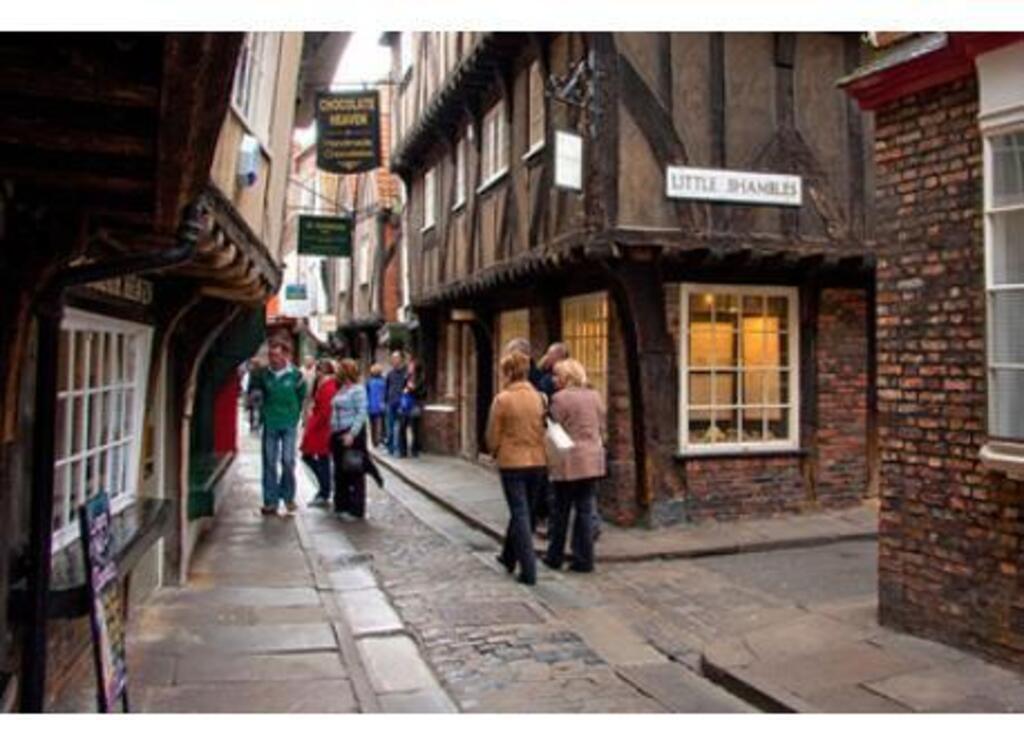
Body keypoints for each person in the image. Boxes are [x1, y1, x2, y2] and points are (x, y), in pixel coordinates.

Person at [486, 350, 548, 586]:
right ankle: (508, 556)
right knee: (524, 511)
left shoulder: (503, 399)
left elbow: (493, 434)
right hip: (537, 461)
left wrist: (495, 451)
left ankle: (528, 569)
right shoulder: (540, 398)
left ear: (508, 372)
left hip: (512, 462)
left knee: (520, 513)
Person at [543, 359, 607, 573]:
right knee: (585, 510)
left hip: (569, 460)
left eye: (557, 375)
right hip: (592, 459)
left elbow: (553, 428)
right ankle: (584, 559)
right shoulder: (595, 396)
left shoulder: (560, 398)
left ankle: (555, 556)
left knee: (561, 510)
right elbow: (601, 425)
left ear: (566, 377)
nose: (553, 379)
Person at [250, 335, 306, 515]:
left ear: (285, 356)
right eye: (271, 355)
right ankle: (270, 501)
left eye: (276, 355)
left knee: (288, 461)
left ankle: (288, 497)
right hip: (270, 422)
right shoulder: (263, 374)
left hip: (289, 422)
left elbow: (301, 396)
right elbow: (255, 394)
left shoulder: (296, 375)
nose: (273, 359)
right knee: (269, 462)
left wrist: (296, 415)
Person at [330, 358, 370, 521]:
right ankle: (341, 505)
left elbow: (361, 413)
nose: (336, 372)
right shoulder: (341, 389)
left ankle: (356, 509)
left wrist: (352, 434)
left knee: (354, 471)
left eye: (339, 369)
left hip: (351, 434)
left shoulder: (358, 390)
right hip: (338, 433)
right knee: (340, 471)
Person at [300, 359, 338, 507]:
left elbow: (325, 411)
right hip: (320, 427)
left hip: (322, 429)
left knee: (319, 459)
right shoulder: (324, 385)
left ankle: (325, 488)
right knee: (317, 458)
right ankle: (325, 486)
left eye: (320, 370)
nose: (317, 373)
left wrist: (312, 425)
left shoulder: (328, 386)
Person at [399, 356, 425, 457]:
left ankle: (414, 450)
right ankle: (403, 451)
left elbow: (423, 393)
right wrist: (405, 389)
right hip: (405, 405)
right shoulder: (406, 377)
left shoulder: (420, 379)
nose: (409, 367)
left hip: (415, 405)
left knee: (415, 429)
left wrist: (412, 389)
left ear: (415, 368)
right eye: (409, 365)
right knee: (402, 427)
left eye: (411, 366)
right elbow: (402, 389)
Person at [384, 350, 409, 456]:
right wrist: (385, 400)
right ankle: (390, 448)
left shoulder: (405, 373)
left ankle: (399, 449)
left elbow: (408, 386)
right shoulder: (390, 374)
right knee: (390, 427)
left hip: (402, 404)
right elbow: (387, 387)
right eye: (392, 358)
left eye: (396, 358)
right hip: (391, 403)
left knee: (400, 428)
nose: (394, 360)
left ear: (401, 359)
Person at [366, 363, 387, 448]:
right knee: (380, 425)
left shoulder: (369, 382)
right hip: (380, 406)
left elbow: (366, 394)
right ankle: (379, 441)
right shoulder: (383, 381)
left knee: (373, 425)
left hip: (371, 406)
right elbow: (385, 393)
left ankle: (374, 442)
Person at [244, 358, 265, 433]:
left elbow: (249, 383)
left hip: (253, 392)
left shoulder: (252, 372)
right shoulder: (263, 372)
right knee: (261, 409)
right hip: (261, 392)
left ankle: (252, 426)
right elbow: (264, 382)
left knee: (252, 409)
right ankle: (259, 424)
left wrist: (248, 393)